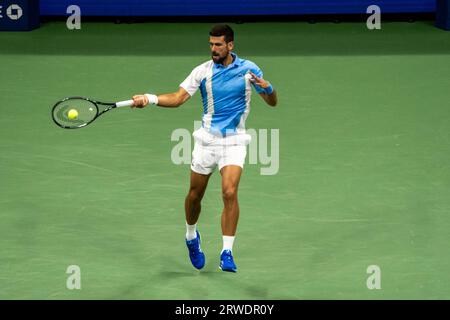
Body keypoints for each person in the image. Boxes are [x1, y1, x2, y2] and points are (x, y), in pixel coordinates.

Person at [131, 24, 277, 272]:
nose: (213, 49)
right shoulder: (202, 71)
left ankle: (227, 251)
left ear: (230, 45)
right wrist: (150, 98)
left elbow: (272, 102)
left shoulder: (249, 69)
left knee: (229, 192)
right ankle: (191, 236)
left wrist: (268, 87)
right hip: (206, 141)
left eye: (218, 45)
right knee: (194, 196)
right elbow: (178, 99)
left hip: (235, 141)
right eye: (211, 44)